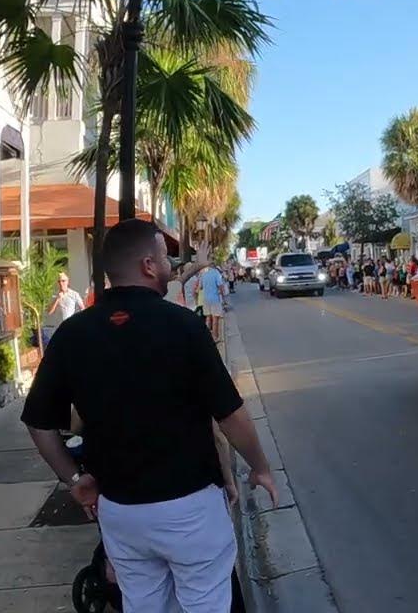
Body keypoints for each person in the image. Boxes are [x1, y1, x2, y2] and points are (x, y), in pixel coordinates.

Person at [20, 219, 277, 613]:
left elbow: (38, 423)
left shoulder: (73, 334)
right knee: (206, 601)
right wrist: (259, 466)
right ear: (147, 265)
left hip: (121, 512)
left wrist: (74, 479)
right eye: (163, 256)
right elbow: (230, 414)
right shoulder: (184, 326)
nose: (170, 264)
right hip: (188, 506)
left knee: (142, 603)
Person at [44, 273, 85, 347]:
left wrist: (77, 320)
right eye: (59, 281)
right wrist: (57, 299)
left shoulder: (74, 294)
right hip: (58, 328)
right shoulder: (54, 295)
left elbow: (82, 308)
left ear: (67, 282)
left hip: (71, 327)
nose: (61, 283)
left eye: (63, 281)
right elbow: (49, 312)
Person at [197, 264, 226, 343]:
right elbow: (220, 286)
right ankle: (215, 337)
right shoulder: (216, 273)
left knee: (208, 318)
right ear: (214, 267)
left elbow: (201, 287)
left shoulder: (204, 274)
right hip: (215, 299)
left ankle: (206, 337)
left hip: (206, 299)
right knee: (215, 319)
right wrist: (223, 298)